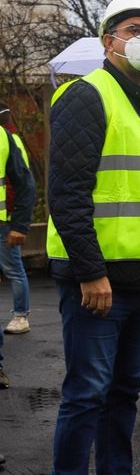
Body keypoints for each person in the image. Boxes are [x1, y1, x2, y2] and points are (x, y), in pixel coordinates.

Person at [47, 0, 140, 475]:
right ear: (109, 42)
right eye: (134, 31)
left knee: (125, 392)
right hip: (97, 283)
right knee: (86, 394)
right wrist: (90, 272)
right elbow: (67, 194)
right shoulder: (86, 95)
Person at [0, 101, 35, 389]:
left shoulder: (7, 139)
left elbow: (22, 183)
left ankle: (21, 315)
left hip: (4, 221)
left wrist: (18, 224)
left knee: (13, 268)